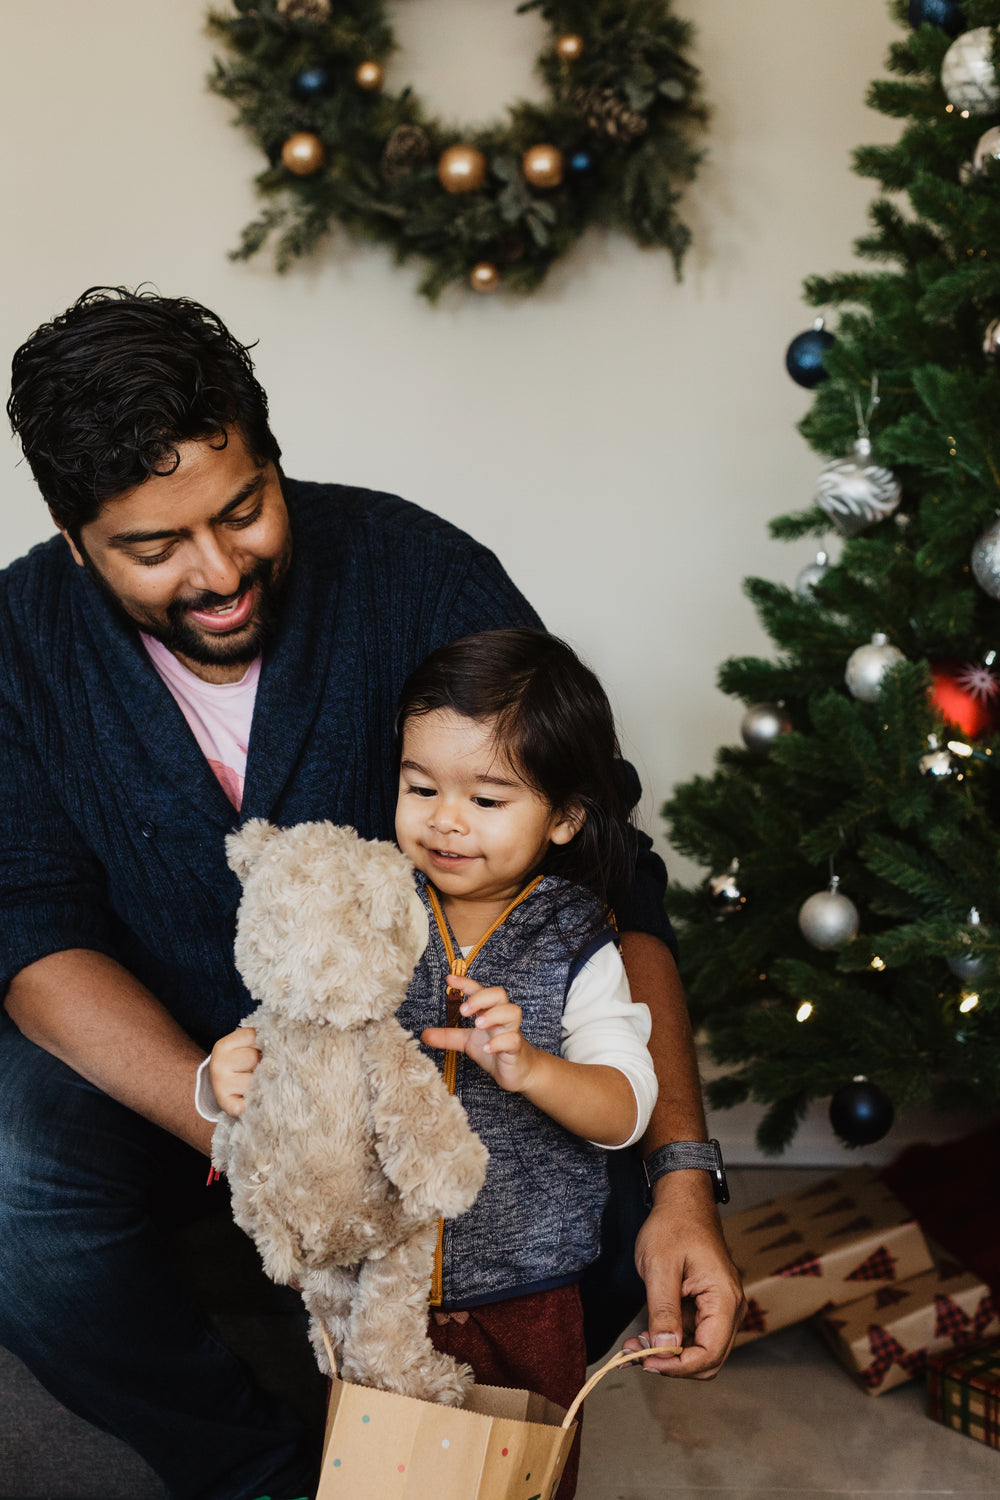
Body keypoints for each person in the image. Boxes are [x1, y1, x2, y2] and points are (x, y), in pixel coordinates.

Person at [0, 286, 743, 1500]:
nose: (219, 569)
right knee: (12, 1191)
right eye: (154, 548)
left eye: (244, 510)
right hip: (167, 1054)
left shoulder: (417, 569)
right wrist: (246, 1133)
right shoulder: (18, 645)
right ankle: (266, 1478)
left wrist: (684, 1181)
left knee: (575, 1211)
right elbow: (30, 935)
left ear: (273, 458)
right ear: (76, 542)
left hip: (428, 1048)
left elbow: (611, 883)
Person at [206, 628, 662, 1499]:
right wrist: (220, 1075)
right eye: (421, 789)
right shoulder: (369, 897)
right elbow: (287, 1021)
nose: (445, 820)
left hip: (525, 1289)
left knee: (519, 1477)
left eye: (487, 799)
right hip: (377, 1285)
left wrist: (528, 1065)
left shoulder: (574, 939)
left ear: (564, 815)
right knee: (379, 1477)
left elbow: (625, 1106)